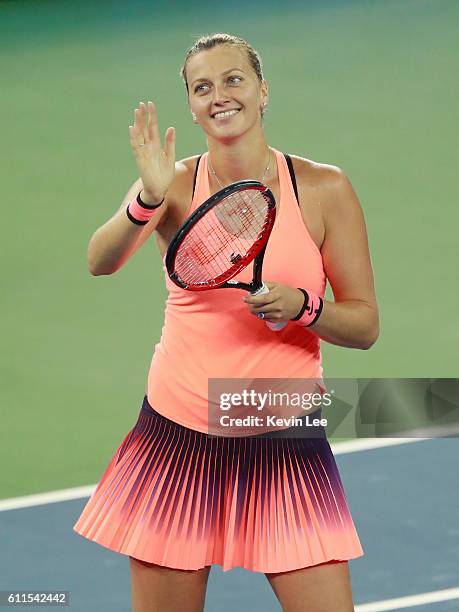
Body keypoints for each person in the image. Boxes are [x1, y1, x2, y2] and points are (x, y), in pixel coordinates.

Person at [73, 33, 379, 612]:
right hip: (179, 436)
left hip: (282, 439)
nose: (219, 96)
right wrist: (147, 196)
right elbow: (100, 261)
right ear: (190, 105)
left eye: (233, 80)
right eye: (201, 87)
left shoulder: (324, 188)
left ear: (263, 91)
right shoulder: (171, 185)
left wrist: (305, 308)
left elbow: (364, 325)